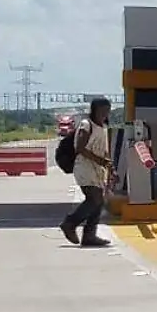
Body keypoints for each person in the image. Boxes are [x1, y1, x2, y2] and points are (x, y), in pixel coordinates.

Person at [61, 97, 114, 247]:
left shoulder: (103, 127)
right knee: (94, 199)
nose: (105, 114)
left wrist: (110, 167)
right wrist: (100, 161)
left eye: (107, 111)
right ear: (94, 110)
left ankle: (89, 235)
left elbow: (104, 151)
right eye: (102, 110)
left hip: (97, 169)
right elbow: (80, 148)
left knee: (99, 202)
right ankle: (70, 223)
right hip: (84, 167)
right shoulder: (86, 125)